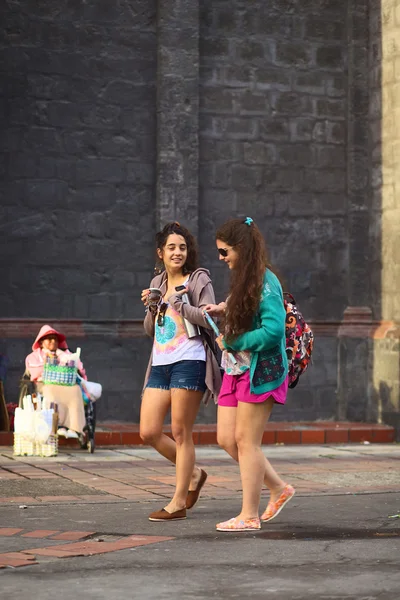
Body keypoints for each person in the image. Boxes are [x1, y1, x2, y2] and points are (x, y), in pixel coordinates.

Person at [205, 217, 295, 532]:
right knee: (227, 438)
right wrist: (224, 310)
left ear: (240, 248)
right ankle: (279, 488)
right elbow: (247, 312)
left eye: (224, 251)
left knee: (246, 440)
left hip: (262, 371)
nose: (220, 257)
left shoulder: (266, 281)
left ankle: (249, 515)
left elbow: (272, 330)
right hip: (237, 368)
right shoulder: (246, 279)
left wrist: (233, 340)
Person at [140, 222, 221, 521]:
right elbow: (152, 330)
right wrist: (152, 306)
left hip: (190, 360)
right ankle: (195, 473)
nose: (177, 252)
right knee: (148, 431)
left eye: (182, 247)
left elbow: (210, 319)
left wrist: (179, 303)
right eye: (171, 247)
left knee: (180, 432)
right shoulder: (157, 282)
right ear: (160, 252)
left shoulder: (198, 279)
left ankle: (178, 502)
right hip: (161, 363)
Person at [25, 325, 87, 439]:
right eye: (49, 339)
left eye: (55, 339)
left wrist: (65, 360)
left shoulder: (66, 354)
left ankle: (74, 428)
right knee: (52, 392)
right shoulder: (33, 356)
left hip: (67, 384)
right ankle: (57, 426)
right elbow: (34, 372)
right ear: (42, 342)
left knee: (76, 390)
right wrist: (47, 363)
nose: (53, 341)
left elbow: (79, 368)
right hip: (45, 385)